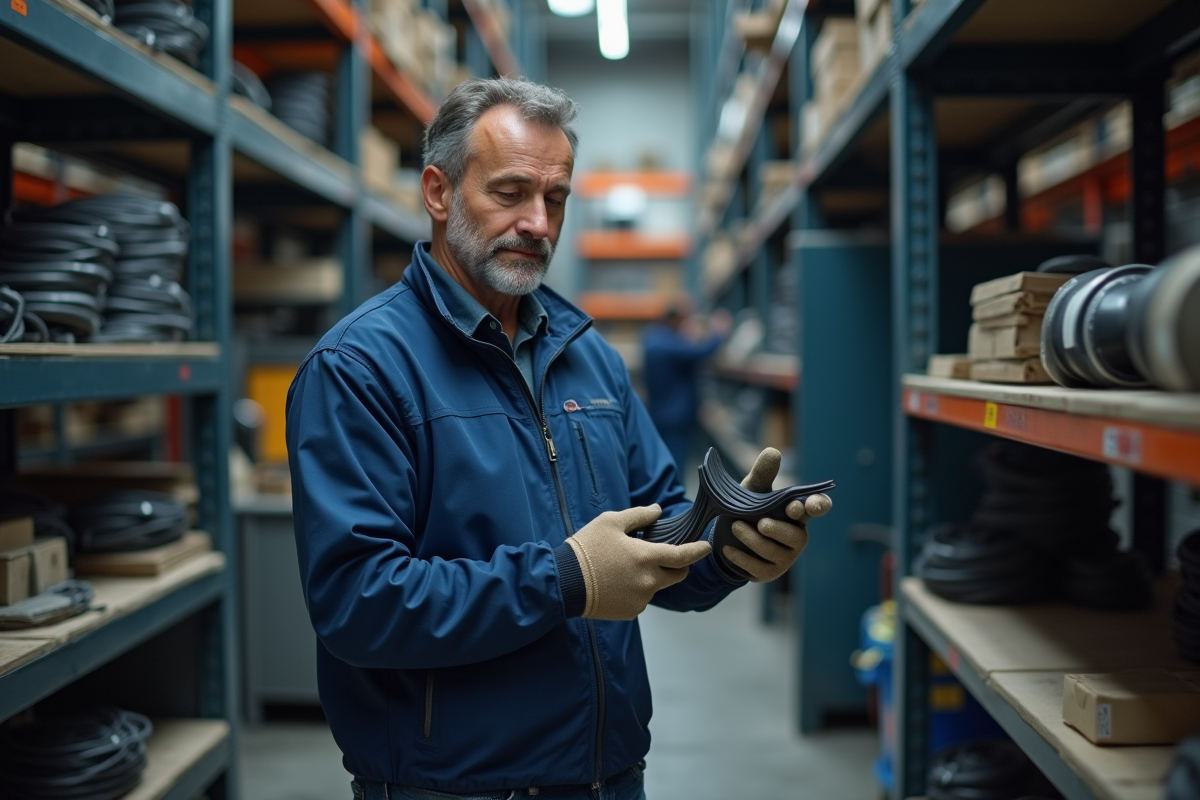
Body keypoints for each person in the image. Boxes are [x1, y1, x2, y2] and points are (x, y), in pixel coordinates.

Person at [286, 77, 830, 800]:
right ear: (439, 192)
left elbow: (658, 533)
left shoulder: (588, 355)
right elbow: (358, 603)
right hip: (453, 786)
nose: (538, 223)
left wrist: (730, 548)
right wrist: (565, 580)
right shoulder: (360, 368)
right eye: (510, 193)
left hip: (608, 776)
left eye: (557, 198)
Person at [641, 302, 731, 471]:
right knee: (675, 465)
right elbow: (700, 352)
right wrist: (718, 332)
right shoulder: (665, 343)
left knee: (664, 463)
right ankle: (673, 497)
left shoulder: (653, 338)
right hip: (676, 417)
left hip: (660, 414)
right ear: (675, 320)